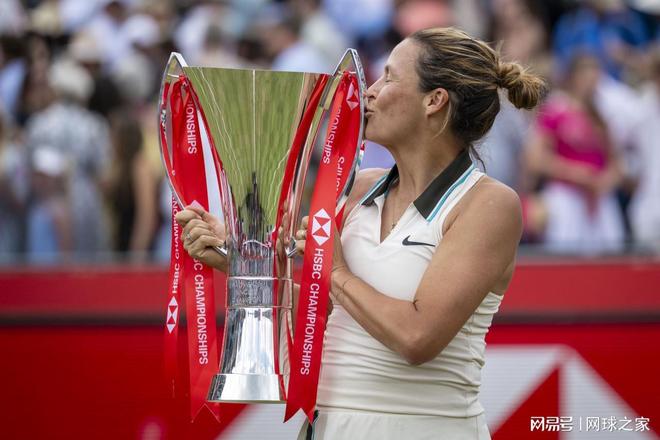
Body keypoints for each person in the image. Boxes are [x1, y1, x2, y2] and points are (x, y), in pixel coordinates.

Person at [176, 27, 545, 439]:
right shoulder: (358, 187)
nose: (369, 91)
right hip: (327, 426)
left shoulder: (489, 204)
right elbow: (328, 313)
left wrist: (334, 271)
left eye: (388, 77)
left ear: (434, 101)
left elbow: (417, 337)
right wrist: (242, 260)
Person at [525, 53, 625, 255]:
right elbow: (535, 159)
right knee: (566, 254)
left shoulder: (601, 115)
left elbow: (616, 163)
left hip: (599, 197)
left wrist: (606, 180)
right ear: (573, 77)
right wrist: (574, 173)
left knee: (610, 254)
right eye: (586, 76)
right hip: (566, 196)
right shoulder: (555, 110)